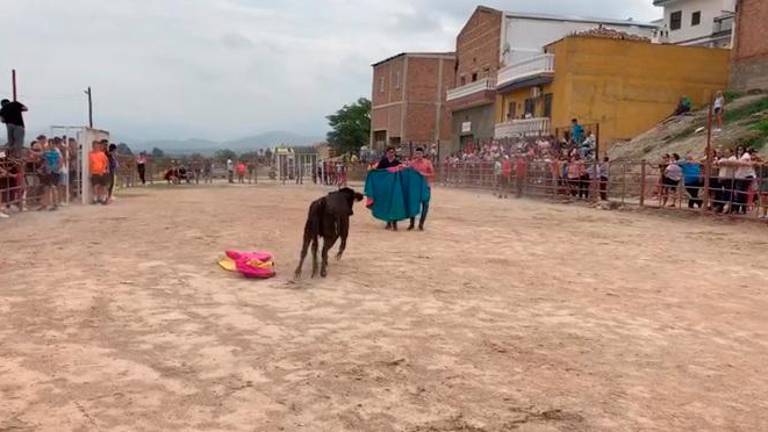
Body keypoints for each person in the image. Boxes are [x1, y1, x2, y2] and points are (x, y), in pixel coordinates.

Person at [407, 147, 434, 231]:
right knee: (413, 204)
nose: (418, 155)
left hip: (425, 186)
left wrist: (424, 174)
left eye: (420, 153)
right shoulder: (412, 163)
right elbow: (407, 172)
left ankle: (421, 224)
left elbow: (433, 174)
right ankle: (412, 224)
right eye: (417, 153)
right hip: (415, 188)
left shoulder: (427, 162)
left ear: (423, 154)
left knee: (425, 205)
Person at [376, 146, 401, 230]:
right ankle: (388, 222)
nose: (391, 153)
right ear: (386, 153)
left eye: (392, 152)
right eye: (389, 152)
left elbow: (401, 172)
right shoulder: (383, 161)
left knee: (395, 204)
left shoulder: (397, 162)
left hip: (395, 186)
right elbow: (378, 172)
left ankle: (395, 224)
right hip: (386, 186)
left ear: (394, 153)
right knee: (387, 204)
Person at [41, 138, 62, 211]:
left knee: (53, 187)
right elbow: (44, 161)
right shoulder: (46, 153)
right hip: (48, 172)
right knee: (46, 188)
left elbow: (60, 162)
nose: (51, 145)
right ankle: (45, 204)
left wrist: (56, 169)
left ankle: (55, 204)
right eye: (49, 144)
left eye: (52, 144)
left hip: (55, 172)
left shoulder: (57, 152)